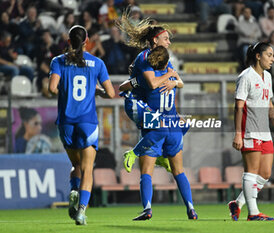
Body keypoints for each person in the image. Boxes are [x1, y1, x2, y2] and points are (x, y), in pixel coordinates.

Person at [116, 14, 198, 221]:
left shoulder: (151, 62)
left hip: (154, 122)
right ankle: (191, 208)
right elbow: (175, 80)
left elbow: (149, 85)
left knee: (146, 171)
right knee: (179, 169)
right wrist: (174, 80)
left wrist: (134, 84)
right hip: (171, 123)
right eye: (166, 38)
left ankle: (147, 208)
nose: (169, 42)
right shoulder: (152, 61)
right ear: (155, 40)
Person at [48, 25, 115, 225]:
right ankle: (82, 212)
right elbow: (111, 93)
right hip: (87, 122)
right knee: (87, 168)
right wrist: (95, 90)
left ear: (69, 41)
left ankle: (74, 190)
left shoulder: (58, 61)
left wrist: (66, 89)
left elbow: (52, 89)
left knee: (75, 165)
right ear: (87, 42)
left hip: (66, 122)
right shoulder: (97, 63)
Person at [229, 42, 274, 221]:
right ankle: (253, 213)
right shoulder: (245, 76)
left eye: (273, 55)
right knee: (251, 172)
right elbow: (238, 107)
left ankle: (237, 204)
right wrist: (238, 133)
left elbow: (269, 104)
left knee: (265, 174)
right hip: (250, 130)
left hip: (265, 132)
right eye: (269, 55)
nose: (273, 58)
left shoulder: (267, 77)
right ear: (258, 56)